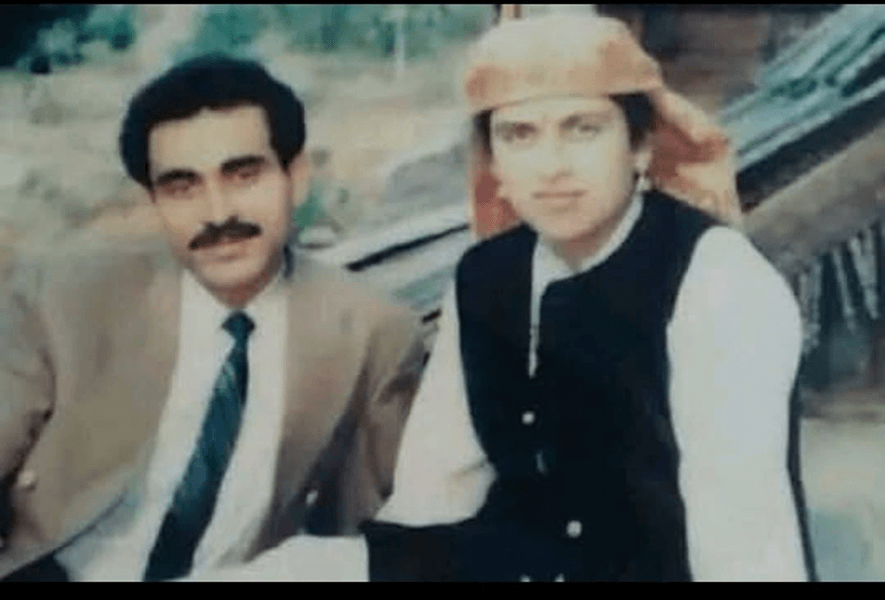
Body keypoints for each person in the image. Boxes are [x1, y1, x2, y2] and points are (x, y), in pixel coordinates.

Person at [244, 13, 816, 582]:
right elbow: (436, 495)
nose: (551, 166)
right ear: (493, 160)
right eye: (520, 134)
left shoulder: (718, 281)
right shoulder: (487, 276)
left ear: (641, 145)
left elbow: (744, 545)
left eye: (582, 128)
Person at [0, 55, 424, 582]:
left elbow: (370, 530)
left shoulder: (372, 331)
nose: (218, 213)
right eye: (182, 187)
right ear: (151, 200)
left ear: (297, 177)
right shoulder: (63, 298)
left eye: (243, 175)